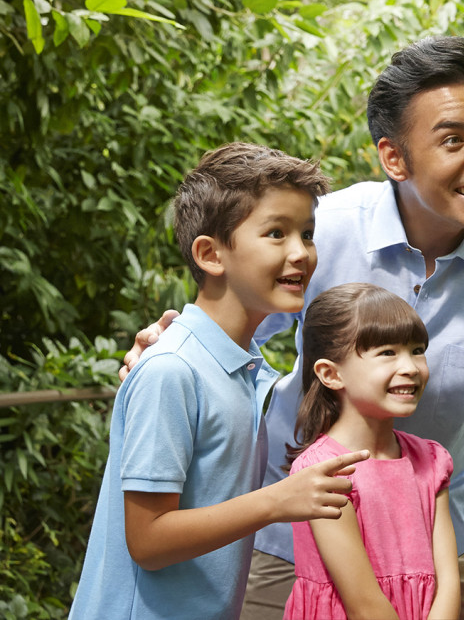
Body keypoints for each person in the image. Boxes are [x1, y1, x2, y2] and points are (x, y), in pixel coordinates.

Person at [125, 37, 464, 620]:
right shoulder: (319, 232)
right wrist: (166, 351)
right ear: (394, 157)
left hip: (439, 539)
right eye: (452, 140)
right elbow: (228, 337)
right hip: (300, 531)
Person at [73, 143, 371, 620]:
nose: (301, 252)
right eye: (276, 233)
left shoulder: (243, 370)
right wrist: (277, 501)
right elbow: (148, 540)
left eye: (308, 234)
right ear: (211, 254)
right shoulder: (172, 370)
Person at [284, 282, 460, 620]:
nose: (410, 366)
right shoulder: (323, 472)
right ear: (330, 374)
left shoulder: (432, 461)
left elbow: (449, 580)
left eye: (417, 349)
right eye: (387, 353)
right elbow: (363, 605)